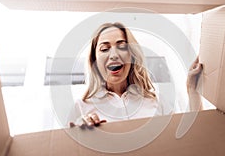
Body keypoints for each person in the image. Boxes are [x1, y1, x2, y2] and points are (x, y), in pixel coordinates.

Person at [69, 22, 203, 128]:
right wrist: (79, 135)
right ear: (95, 60)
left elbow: (191, 139)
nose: (114, 55)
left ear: (132, 56)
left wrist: (193, 90)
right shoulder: (80, 108)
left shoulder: (157, 103)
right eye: (104, 49)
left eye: (122, 46)